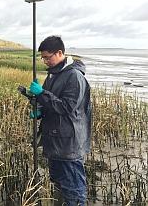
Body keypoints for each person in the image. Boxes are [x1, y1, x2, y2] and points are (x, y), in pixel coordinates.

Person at [29, 36, 92, 205]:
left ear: (60, 53)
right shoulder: (53, 75)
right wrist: (39, 109)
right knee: (59, 184)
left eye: (48, 57)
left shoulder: (74, 76)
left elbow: (66, 107)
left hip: (68, 144)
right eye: (42, 58)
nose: (45, 61)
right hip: (55, 140)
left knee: (73, 189)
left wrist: (41, 94)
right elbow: (51, 102)